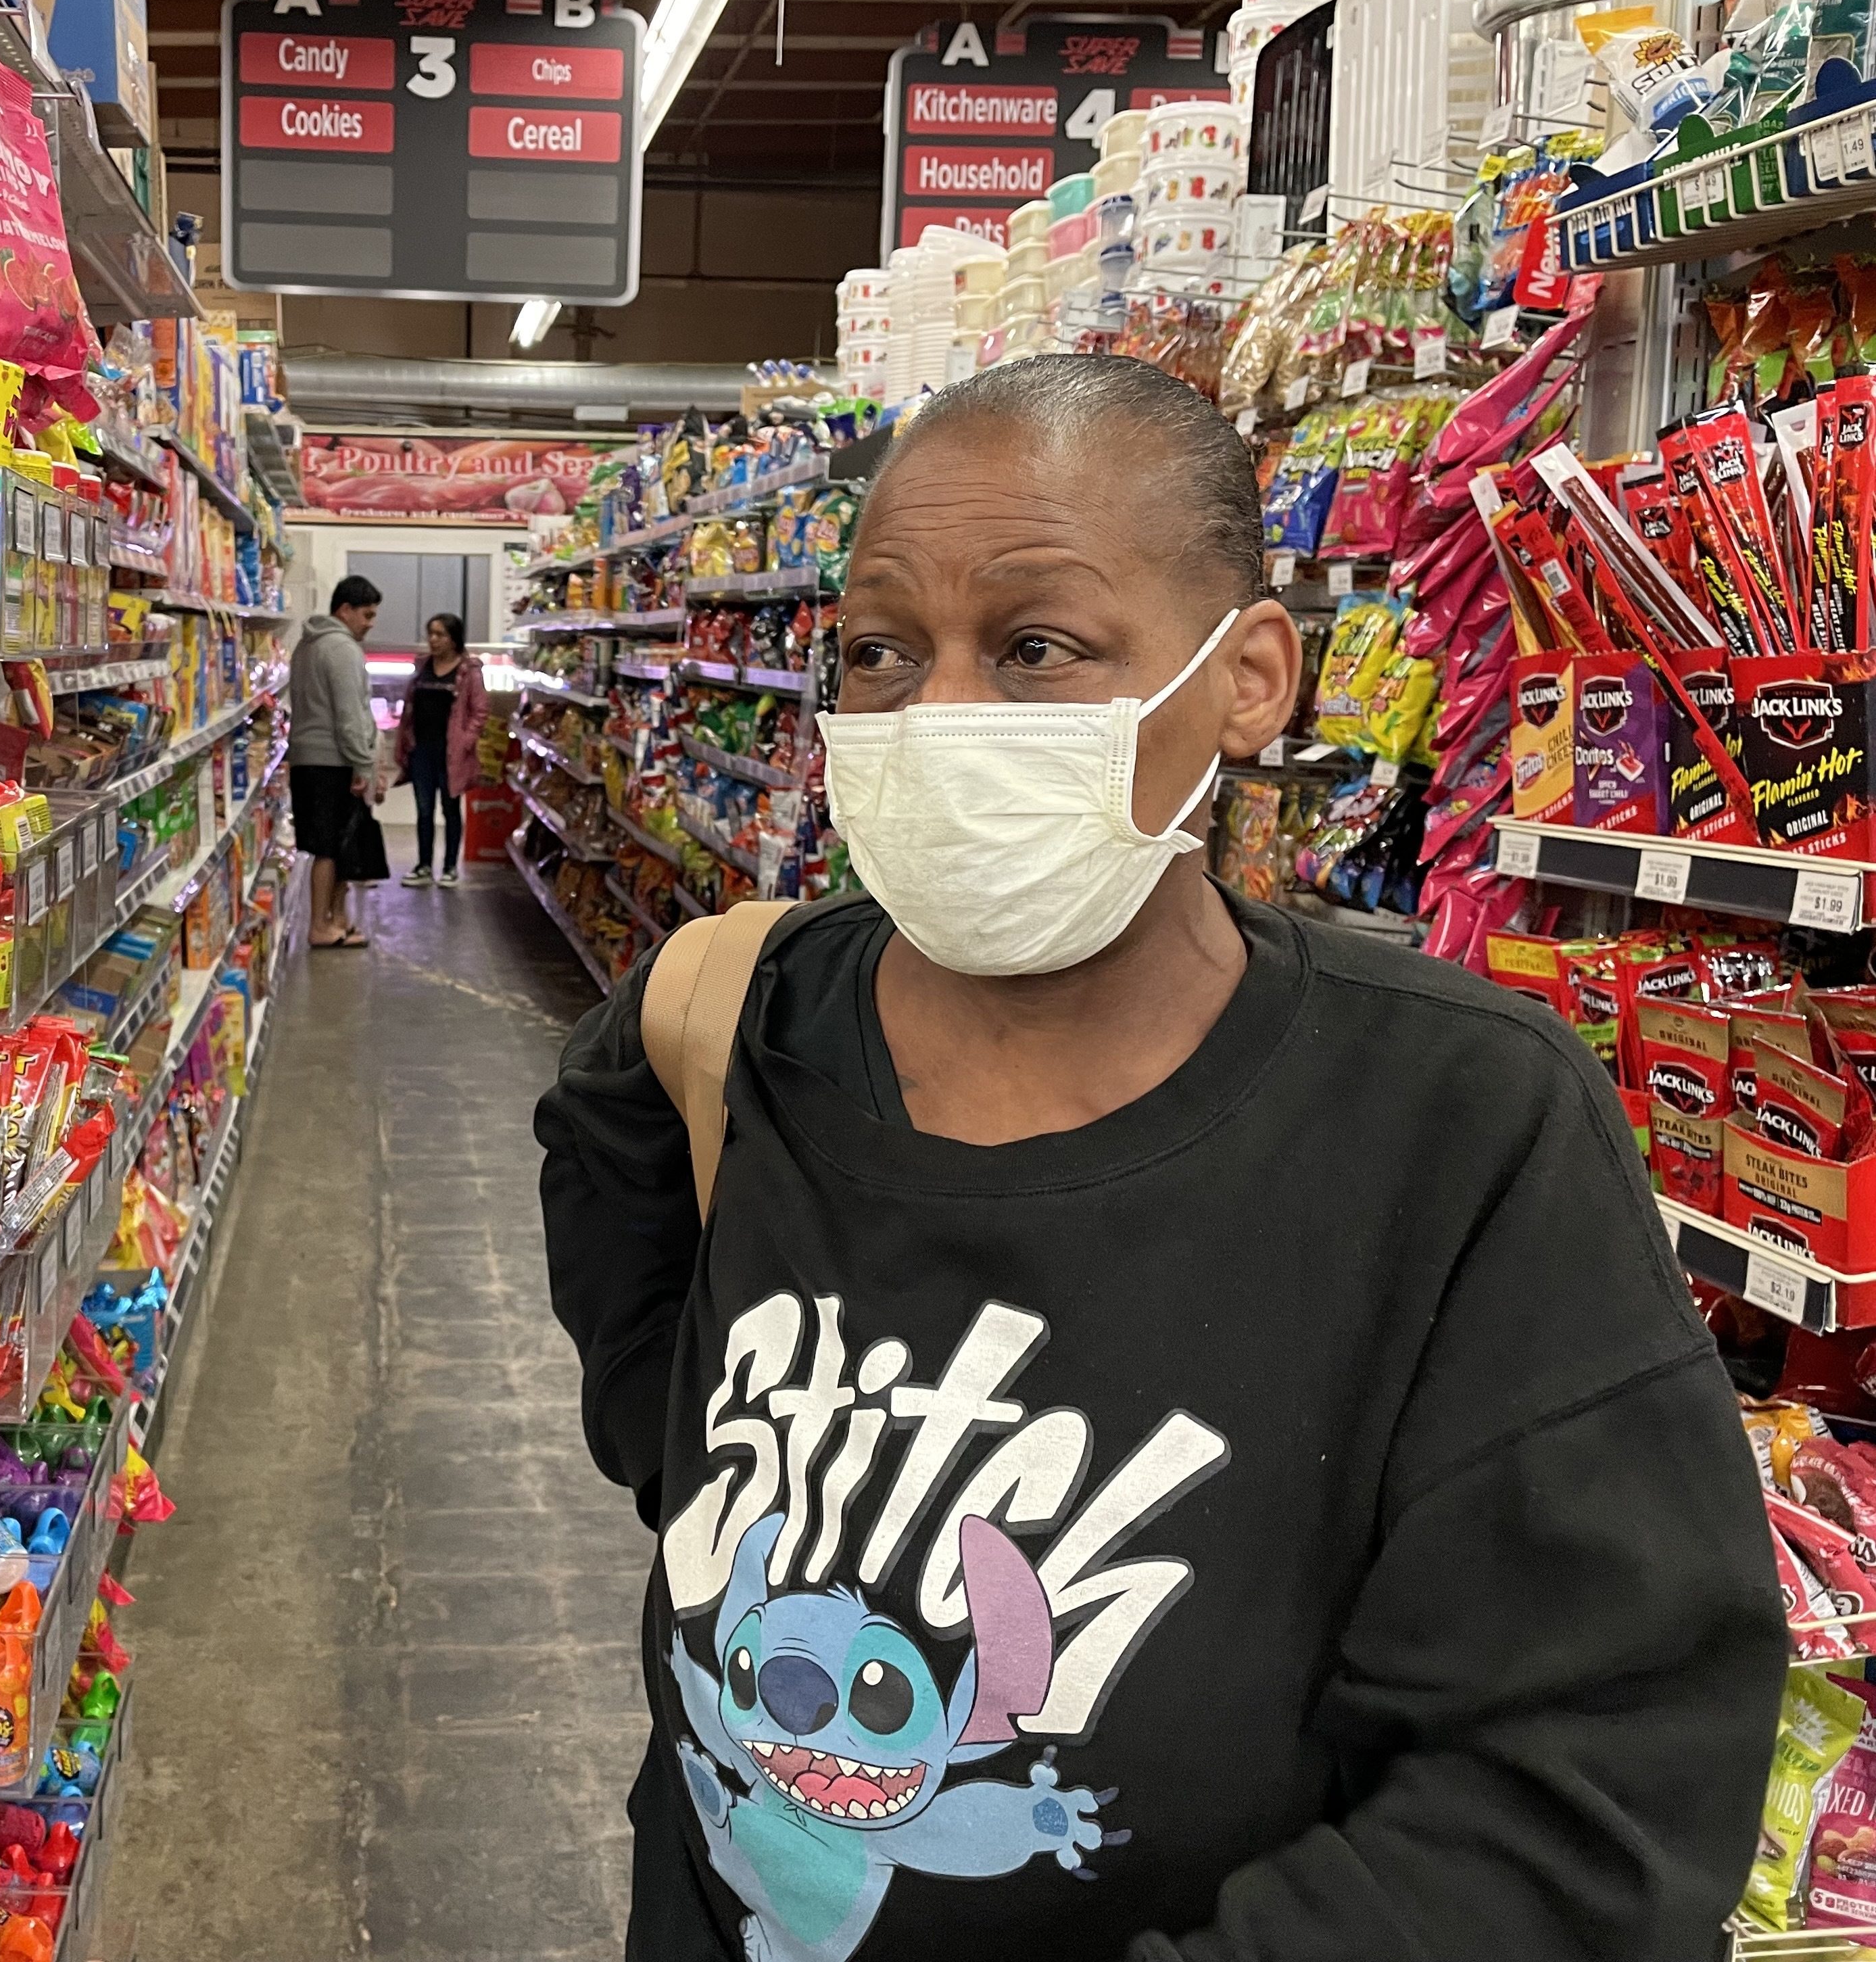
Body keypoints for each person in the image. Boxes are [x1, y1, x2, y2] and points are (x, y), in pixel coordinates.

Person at [536, 356, 1783, 1962]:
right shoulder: (745, 1014)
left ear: (1252, 677)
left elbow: (1583, 1796)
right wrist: (700, 1473)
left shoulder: (1461, 1127)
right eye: (881, 653)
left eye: (1037, 647)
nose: (942, 716)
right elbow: (611, 1140)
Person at [289, 573, 381, 949]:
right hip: (333, 761)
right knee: (329, 847)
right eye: (367, 615)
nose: (370, 624)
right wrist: (364, 764)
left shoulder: (306, 646)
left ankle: (337, 920)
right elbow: (350, 715)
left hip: (310, 759)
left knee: (338, 844)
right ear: (345, 610)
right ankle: (320, 925)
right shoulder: (341, 649)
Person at [395, 611, 488, 888]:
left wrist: (466, 740)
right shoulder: (422, 665)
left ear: (454, 638)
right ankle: (423, 866)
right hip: (421, 749)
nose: (434, 640)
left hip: (451, 753)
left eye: (440, 635)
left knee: (450, 809)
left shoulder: (468, 671)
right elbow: (411, 705)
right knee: (424, 810)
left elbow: (480, 710)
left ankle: (449, 867)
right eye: (431, 634)